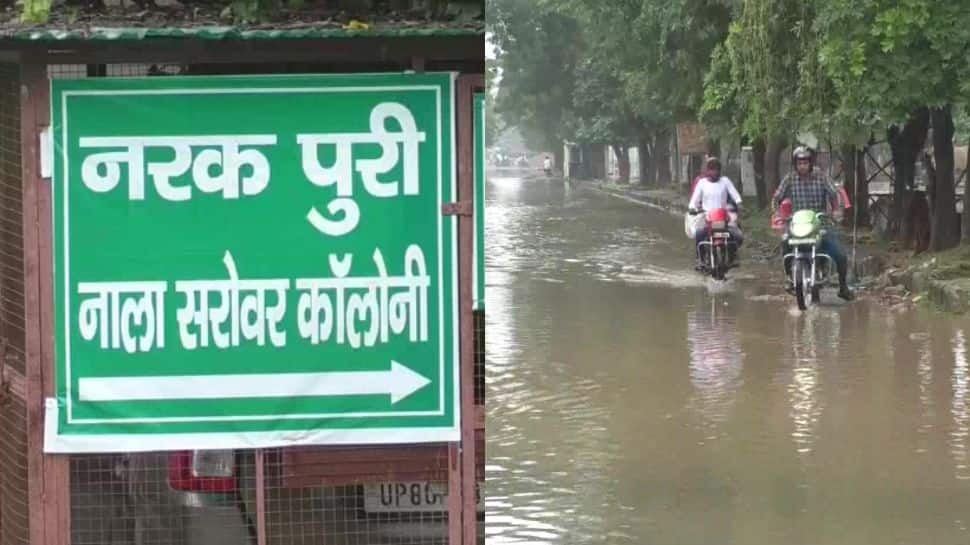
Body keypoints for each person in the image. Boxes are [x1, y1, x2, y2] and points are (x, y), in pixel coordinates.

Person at [772, 146, 854, 301]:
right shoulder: (789, 178)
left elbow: (834, 194)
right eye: (799, 163)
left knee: (840, 255)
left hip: (820, 223)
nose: (802, 166)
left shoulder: (821, 176)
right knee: (785, 243)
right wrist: (778, 213)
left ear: (810, 163)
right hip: (797, 225)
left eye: (805, 162)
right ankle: (790, 277)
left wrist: (837, 211)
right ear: (795, 164)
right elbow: (777, 198)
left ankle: (843, 287)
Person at [688, 157, 744, 268]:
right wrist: (692, 208)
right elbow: (694, 200)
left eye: (717, 169)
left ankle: (733, 257)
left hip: (723, 215)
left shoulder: (725, 181)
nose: (714, 171)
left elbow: (735, 195)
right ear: (707, 170)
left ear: (720, 170)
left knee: (735, 235)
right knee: (699, 234)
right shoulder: (702, 183)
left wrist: (739, 203)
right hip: (706, 216)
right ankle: (701, 259)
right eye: (712, 169)